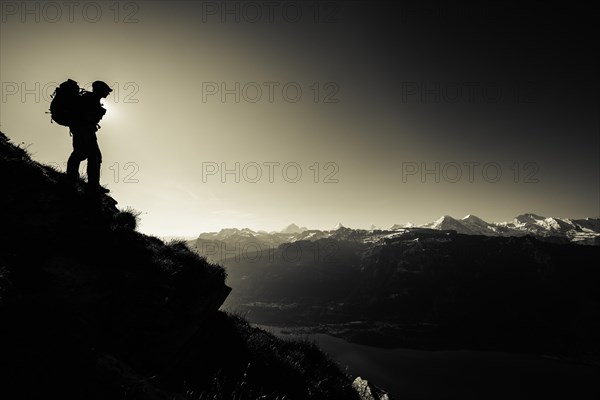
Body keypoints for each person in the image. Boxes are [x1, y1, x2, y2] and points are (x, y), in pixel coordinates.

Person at [66, 80, 112, 194]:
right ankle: (75, 180)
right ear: (100, 89)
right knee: (81, 154)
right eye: (107, 90)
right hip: (83, 130)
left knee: (94, 156)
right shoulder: (89, 98)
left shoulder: (93, 99)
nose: (108, 93)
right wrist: (97, 115)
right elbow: (83, 116)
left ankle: (92, 184)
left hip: (87, 131)